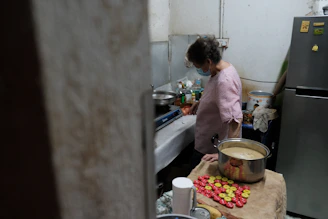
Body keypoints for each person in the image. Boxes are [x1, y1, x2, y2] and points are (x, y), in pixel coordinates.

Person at [186, 36, 243, 170]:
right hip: (207, 141)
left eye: (199, 66)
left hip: (213, 149)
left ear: (208, 61)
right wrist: (201, 102)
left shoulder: (224, 80)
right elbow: (217, 96)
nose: (199, 70)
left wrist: (224, 155)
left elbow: (235, 120)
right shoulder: (221, 69)